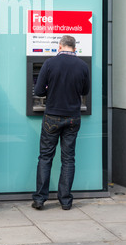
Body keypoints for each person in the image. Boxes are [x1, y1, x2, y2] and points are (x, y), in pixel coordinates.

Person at [32, 35, 90, 211]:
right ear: (74, 47)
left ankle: (40, 199)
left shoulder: (50, 64)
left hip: (52, 116)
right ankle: (65, 200)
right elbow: (85, 90)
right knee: (68, 158)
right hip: (73, 117)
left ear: (60, 46)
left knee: (45, 157)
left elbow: (39, 91)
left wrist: (51, 88)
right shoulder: (83, 66)